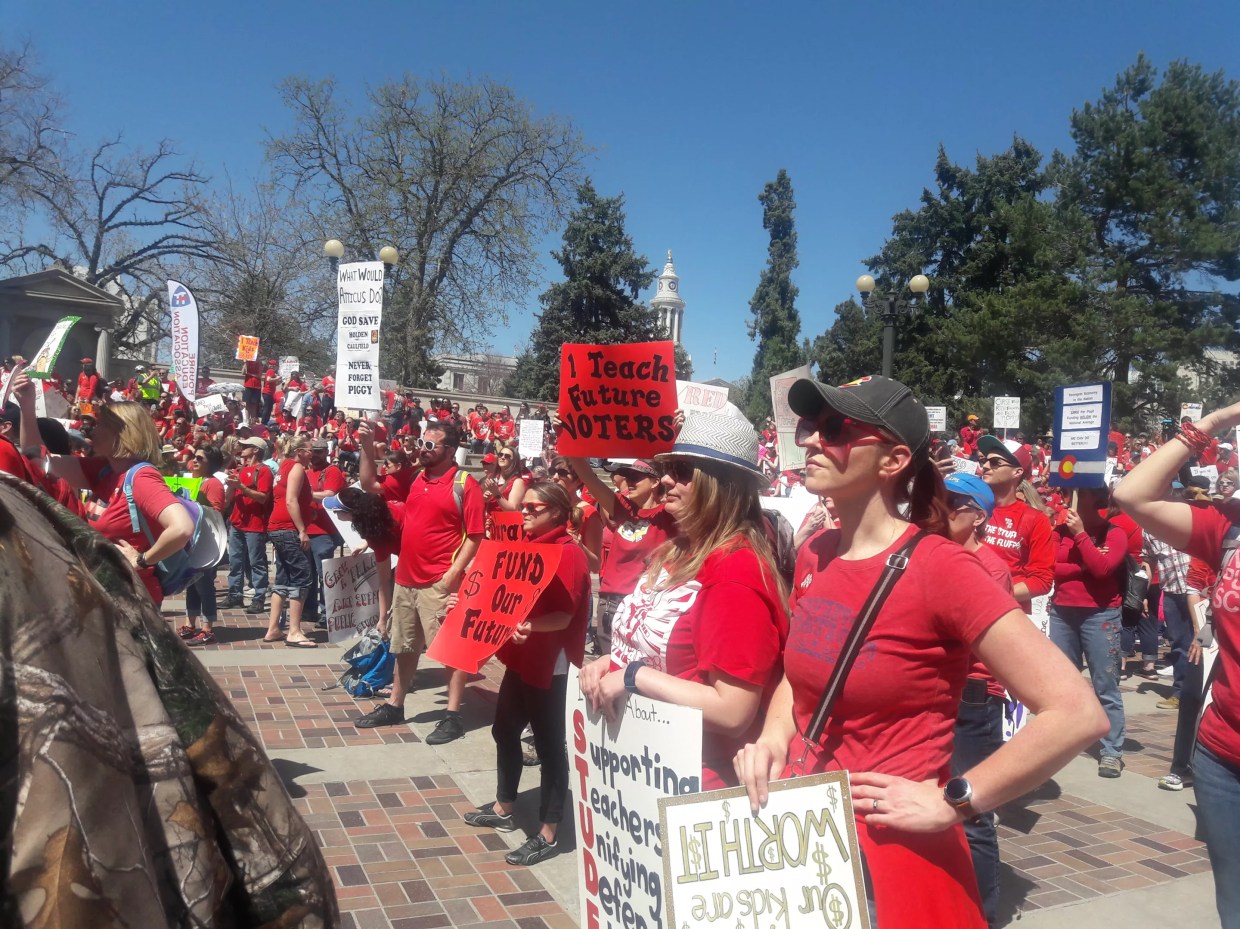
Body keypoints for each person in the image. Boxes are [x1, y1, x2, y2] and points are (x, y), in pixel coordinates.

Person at [733, 375, 1106, 928]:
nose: (811, 441)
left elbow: (1076, 713)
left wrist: (958, 799)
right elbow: (801, 673)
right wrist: (771, 739)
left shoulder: (942, 567)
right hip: (807, 841)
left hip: (893, 859)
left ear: (894, 459)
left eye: (836, 429)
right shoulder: (814, 553)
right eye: (812, 427)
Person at [579, 413, 789, 790]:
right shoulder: (677, 550)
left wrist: (631, 676)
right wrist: (613, 660)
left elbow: (732, 710)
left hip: (694, 780)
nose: (664, 480)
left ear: (721, 486)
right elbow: (674, 653)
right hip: (641, 763)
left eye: (682, 471)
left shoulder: (734, 574)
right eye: (666, 468)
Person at [1113, 405, 1240, 928]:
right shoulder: (1229, 529)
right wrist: (1210, 424)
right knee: (1233, 901)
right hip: (1222, 755)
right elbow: (1131, 494)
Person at [464, 482, 592, 866]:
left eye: (535, 507)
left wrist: (532, 627)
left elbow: (566, 615)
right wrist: (467, 601)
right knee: (504, 730)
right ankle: (505, 807)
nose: (525, 511)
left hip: (549, 664)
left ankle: (548, 832)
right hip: (521, 659)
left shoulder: (569, 554)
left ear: (557, 511)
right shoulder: (529, 545)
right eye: (526, 506)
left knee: (551, 748)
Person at [353, 418, 484, 743]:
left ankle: (453, 715)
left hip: (440, 582)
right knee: (405, 646)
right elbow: (369, 483)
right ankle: (395, 704)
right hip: (407, 580)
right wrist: (367, 447)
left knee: (450, 650)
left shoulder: (465, 484)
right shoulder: (413, 477)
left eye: (431, 445)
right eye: (423, 442)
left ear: (450, 450)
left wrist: (454, 572)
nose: (423, 449)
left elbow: (476, 536)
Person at [17, 390, 192, 606]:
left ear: (121, 433)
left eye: (100, 425)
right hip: (105, 596)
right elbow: (36, 459)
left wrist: (141, 561)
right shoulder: (104, 470)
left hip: (133, 601)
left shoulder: (141, 477)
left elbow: (182, 528)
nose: (92, 429)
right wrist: (26, 404)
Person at [942, 471, 1011, 928]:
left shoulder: (989, 567)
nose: (939, 509)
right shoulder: (937, 555)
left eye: (952, 504)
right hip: (944, 694)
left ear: (978, 516)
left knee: (970, 810)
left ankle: (983, 915)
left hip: (974, 698)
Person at [1047, 486, 1129, 777]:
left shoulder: (1114, 533)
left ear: (1095, 499)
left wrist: (1081, 536)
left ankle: (1111, 751)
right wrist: (1083, 563)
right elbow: (1049, 568)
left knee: (1105, 685)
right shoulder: (1057, 531)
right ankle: (1064, 741)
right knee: (1062, 684)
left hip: (1100, 615)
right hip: (1062, 612)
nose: (1071, 500)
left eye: (1078, 494)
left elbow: (1104, 570)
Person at [567, 457, 676, 656]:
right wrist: (570, 444)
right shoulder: (622, 508)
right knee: (608, 663)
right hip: (610, 602)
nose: (629, 481)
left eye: (637, 477)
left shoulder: (667, 514)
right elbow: (588, 477)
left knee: (637, 667)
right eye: (627, 476)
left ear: (655, 481)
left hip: (645, 603)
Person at [976, 434, 1054, 613]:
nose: (986, 466)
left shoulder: (1035, 519)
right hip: (963, 609)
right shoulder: (968, 507)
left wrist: (988, 592)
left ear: (1017, 472)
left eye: (995, 462)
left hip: (1005, 615)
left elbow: (1041, 581)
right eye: (985, 461)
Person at [264, 435, 317, 647]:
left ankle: (273, 628)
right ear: (299, 451)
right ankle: (294, 631)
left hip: (277, 527)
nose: (311, 453)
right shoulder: (295, 468)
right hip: (288, 529)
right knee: (302, 576)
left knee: (283, 576)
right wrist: (302, 530)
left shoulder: (282, 467)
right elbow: (291, 500)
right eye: (309, 449)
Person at [180, 444, 227, 645]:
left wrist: (194, 505)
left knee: (204, 584)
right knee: (191, 583)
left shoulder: (213, 484)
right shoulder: (192, 481)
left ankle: (208, 628)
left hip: (206, 540)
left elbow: (216, 511)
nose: (195, 460)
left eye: (201, 458)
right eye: (195, 457)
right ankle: (191, 623)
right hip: (192, 540)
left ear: (211, 464)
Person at [224, 437, 273, 613]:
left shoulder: (264, 471)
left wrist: (241, 486)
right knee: (235, 561)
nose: (241, 448)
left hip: (255, 524)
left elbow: (263, 497)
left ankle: (259, 597)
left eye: (246, 446)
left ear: (255, 450)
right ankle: (235, 595)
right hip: (237, 523)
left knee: (256, 562)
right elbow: (229, 499)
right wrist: (230, 487)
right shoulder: (241, 469)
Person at [303, 438, 346, 626]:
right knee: (307, 574)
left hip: (324, 531)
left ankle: (327, 612)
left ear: (326, 452)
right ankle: (309, 610)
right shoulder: (305, 471)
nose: (315, 455)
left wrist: (305, 493)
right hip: (306, 529)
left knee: (324, 575)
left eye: (319, 451)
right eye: (313, 451)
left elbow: (330, 495)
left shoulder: (332, 471)